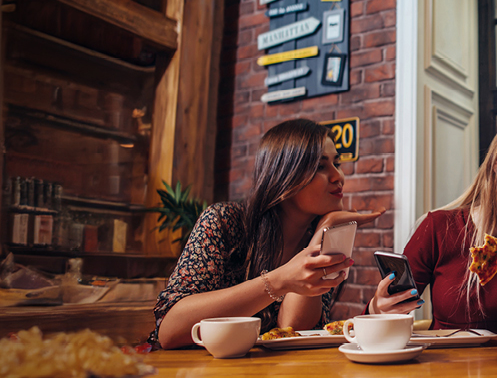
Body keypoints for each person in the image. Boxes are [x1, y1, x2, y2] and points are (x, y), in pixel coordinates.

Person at [151, 119, 382, 349]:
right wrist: (278, 281)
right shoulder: (223, 222)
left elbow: (293, 328)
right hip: (194, 376)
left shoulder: (315, 235)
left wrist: (323, 231)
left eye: (337, 163)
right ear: (285, 175)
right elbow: (170, 330)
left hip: (267, 377)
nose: (338, 176)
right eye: (321, 166)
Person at [370, 113, 497, 337]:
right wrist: (378, 307)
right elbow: (382, 315)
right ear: (496, 163)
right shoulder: (438, 227)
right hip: (445, 366)